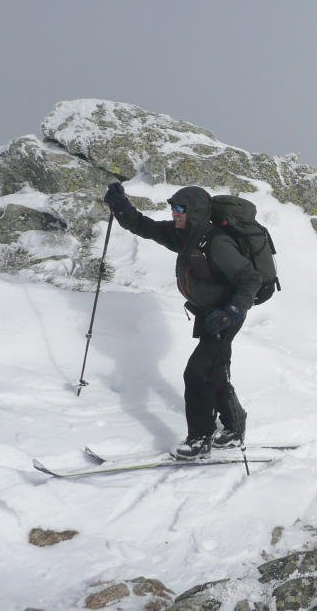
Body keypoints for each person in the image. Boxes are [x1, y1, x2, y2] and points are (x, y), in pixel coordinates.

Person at [103, 182, 261, 459]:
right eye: (173, 207)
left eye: (180, 209)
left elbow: (251, 278)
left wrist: (232, 312)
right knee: (215, 372)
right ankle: (235, 428)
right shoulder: (185, 235)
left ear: (196, 212)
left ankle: (200, 439)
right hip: (209, 314)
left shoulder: (216, 243)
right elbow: (145, 226)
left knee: (197, 372)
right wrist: (121, 207)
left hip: (225, 315)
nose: (174, 213)